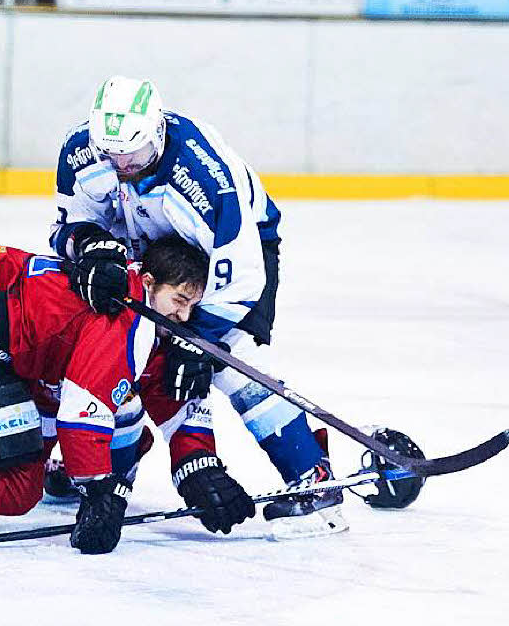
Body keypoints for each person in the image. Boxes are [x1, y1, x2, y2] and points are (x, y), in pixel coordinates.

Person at [49, 76, 347, 537]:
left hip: (225, 260)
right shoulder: (83, 153)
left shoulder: (205, 181)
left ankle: (314, 482)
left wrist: (199, 340)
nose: (123, 164)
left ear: (159, 132)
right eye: (113, 154)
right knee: (108, 345)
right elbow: (71, 223)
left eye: (135, 153)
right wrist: (89, 245)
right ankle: (97, 470)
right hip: (148, 253)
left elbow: (243, 277)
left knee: (231, 359)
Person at [0, 237, 255, 554]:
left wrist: (199, 467)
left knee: (100, 417)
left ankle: (64, 473)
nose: (182, 318)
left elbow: (164, 396)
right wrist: (97, 492)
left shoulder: (130, 298)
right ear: (148, 283)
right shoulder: (129, 320)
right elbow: (81, 413)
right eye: (178, 301)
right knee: (15, 485)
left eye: (191, 307)